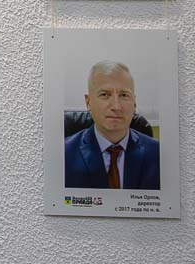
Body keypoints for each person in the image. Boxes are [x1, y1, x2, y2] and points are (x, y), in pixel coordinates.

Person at [64, 61, 160, 190]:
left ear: (134, 103)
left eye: (124, 95)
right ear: (88, 102)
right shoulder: (64, 154)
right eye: (104, 95)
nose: (116, 106)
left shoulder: (158, 154)